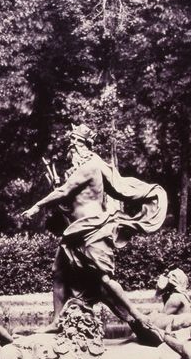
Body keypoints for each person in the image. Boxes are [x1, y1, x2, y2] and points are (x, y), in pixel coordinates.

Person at [22, 123, 167, 344]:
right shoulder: (89, 166)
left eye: (72, 150)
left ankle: (139, 319)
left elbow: (64, 191)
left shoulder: (90, 166)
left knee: (103, 280)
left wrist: (37, 206)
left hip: (92, 229)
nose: (70, 156)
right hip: (76, 232)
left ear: (80, 147)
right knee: (58, 272)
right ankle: (57, 322)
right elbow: (71, 201)